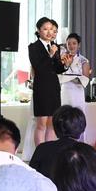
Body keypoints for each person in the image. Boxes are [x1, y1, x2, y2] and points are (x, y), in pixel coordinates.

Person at [29, 17, 65, 146]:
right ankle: (40, 152)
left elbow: (58, 69)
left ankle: (49, 150)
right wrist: (50, 54)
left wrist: (65, 63)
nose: (49, 32)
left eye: (51, 29)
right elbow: (39, 67)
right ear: (39, 31)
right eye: (45, 29)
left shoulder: (55, 47)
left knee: (52, 122)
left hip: (54, 87)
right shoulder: (33, 47)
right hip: (42, 87)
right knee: (41, 123)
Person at [29, 105, 88, 182]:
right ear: (82, 128)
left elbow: (31, 177)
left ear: (55, 127)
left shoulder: (42, 148)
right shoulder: (88, 151)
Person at [58, 32, 91, 110]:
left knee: (77, 115)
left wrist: (71, 78)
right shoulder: (61, 59)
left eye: (74, 43)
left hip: (77, 91)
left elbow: (85, 80)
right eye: (69, 44)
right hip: (65, 91)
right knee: (64, 114)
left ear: (78, 45)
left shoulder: (83, 61)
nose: (71, 46)